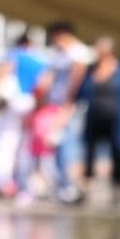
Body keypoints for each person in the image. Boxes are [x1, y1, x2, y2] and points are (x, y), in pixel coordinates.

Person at [77, 36, 120, 207]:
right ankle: (86, 190)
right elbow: (81, 93)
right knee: (89, 154)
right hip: (94, 117)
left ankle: (117, 190)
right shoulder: (91, 70)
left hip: (116, 118)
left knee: (117, 152)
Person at [38, 19, 91, 203]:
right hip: (55, 104)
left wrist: (68, 104)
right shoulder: (59, 53)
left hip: (69, 106)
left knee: (68, 144)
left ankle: (70, 185)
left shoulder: (77, 52)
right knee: (55, 144)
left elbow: (75, 80)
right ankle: (60, 184)